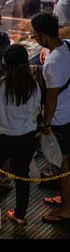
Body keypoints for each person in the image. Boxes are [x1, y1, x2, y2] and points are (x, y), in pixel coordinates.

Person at [0, 45, 41, 226]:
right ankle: (20, 214)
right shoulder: (34, 86)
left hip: (1, 139)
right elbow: (35, 113)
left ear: (5, 64)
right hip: (26, 138)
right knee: (21, 176)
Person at [31, 13, 70, 224]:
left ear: (44, 36)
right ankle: (66, 198)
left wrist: (46, 123)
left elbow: (51, 98)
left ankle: (66, 209)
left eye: (35, 37)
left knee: (63, 164)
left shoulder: (52, 63)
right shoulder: (68, 45)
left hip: (62, 118)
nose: (35, 41)